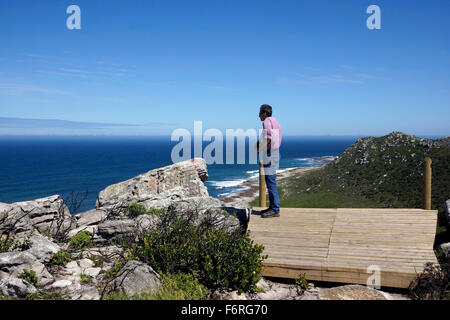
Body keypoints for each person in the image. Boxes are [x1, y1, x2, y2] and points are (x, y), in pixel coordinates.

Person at [257, 104, 282, 218]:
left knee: (270, 181)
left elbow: (268, 138)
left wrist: (259, 149)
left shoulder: (266, 121)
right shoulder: (275, 121)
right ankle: (273, 207)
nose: (258, 116)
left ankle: (275, 209)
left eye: (260, 113)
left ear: (264, 113)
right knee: (271, 180)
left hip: (270, 153)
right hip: (275, 152)